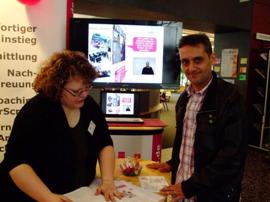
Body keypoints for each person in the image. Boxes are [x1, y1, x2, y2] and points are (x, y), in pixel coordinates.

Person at [0, 50, 123, 202]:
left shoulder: (89, 106)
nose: (84, 95)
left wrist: (108, 182)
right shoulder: (35, 111)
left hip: (80, 194)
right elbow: (16, 163)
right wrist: (48, 197)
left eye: (87, 87)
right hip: (35, 196)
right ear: (58, 87)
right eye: (76, 91)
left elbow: (104, 143)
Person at [147, 34, 247, 202]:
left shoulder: (231, 98)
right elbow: (186, 140)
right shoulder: (184, 98)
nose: (191, 68)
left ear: (212, 58)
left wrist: (189, 187)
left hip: (211, 194)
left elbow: (231, 158)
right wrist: (172, 163)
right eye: (185, 62)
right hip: (182, 189)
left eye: (198, 60)